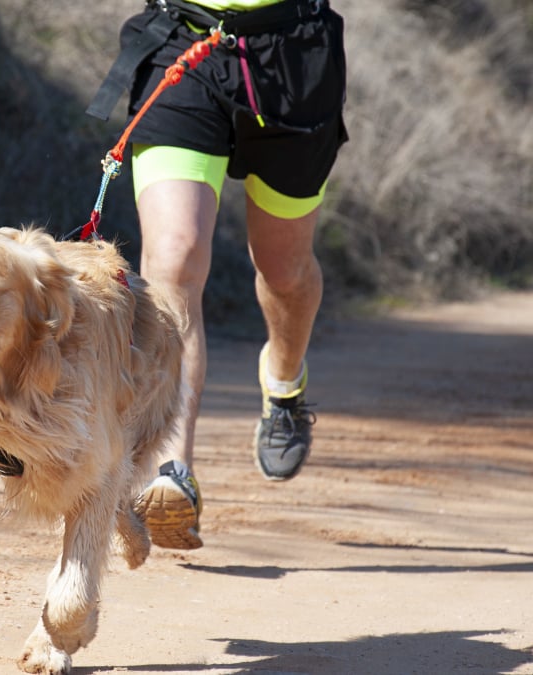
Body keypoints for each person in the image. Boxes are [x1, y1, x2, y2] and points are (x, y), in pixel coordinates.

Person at [87, 0, 348, 550]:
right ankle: (171, 468)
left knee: (284, 271)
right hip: (183, 41)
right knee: (173, 258)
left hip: (293, 54)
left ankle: (283, 383)